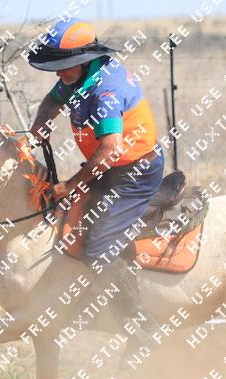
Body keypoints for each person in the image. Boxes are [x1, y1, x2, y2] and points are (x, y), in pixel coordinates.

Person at [27, 18, 163, 347]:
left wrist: (71, 184)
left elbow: (110, 149)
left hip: (134, 173)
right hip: (108, 168)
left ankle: (142, 328)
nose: (58, 74)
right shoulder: (78, 75)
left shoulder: (107, 90)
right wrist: (41, 124)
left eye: (63, 67)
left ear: (83, 58)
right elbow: (52, 101)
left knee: (98, 247)